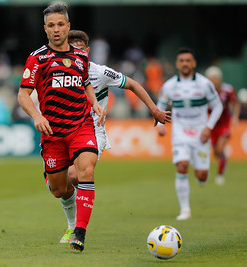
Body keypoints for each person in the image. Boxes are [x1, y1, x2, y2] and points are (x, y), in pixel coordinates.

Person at [53, 30, 171, 243]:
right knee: (58, 187)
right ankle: (75, 216)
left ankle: (77, 228)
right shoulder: (58, 71)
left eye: (81, 49)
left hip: (92, 131)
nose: (77, 53)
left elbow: (133, 84)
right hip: (64, 132)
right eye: (73, 49)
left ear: (87, 51)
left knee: (75, 174)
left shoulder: (100, 72)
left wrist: (154, 110)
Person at [17, 3, 106, 252]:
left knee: (86, 170)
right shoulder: (37, 59)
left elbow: (86, 82)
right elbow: (23, 95)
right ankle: (66, 206)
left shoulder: (80, 56)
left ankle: (80, 232)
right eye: (51, 25)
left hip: (81, 127)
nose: (56, 30)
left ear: (68, 26)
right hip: (53, 134)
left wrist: (95, 104)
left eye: (60, 24)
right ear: (45, 29)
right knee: (59, 190)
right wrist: (36, 115)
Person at [156, 48, 223, 220]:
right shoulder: (169, 85)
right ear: (177, 64)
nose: (185, 63)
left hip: (201, 133)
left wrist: (209, 127)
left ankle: (201, 175)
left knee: (201, 175)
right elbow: (160, 106)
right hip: (180, 133)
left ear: (194, 63)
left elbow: (218, 106)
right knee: (182, 166)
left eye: (188, 60)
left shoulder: (204, 83)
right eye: (182, 60)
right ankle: (185, 210)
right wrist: (159, 124)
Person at [205, 66, 241, 185]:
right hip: (211, 125)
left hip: (224, 123)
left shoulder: (228, 90)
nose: (213, 81)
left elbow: (235, 104)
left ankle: (220, 175)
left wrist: (235, 116)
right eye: (211, 78)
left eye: (215, 78)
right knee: (216, 152)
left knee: (220, 148)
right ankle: (223, 161)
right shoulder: (205, 91)